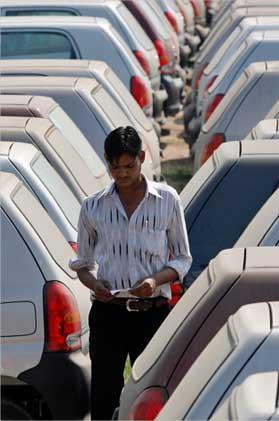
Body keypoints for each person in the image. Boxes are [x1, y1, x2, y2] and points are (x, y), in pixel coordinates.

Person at [69, 126, 192, 420]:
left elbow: (183, 259)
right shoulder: (93, 207)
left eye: (129, 165)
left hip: (152, 312)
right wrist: (95, 284)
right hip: (108, 313)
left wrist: (154, 281)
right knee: (105, 394)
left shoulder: (167, 200)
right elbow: (82, 265)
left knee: (151, 391)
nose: (122, 174)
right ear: (106, 162)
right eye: (115, 166)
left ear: (142, 157)